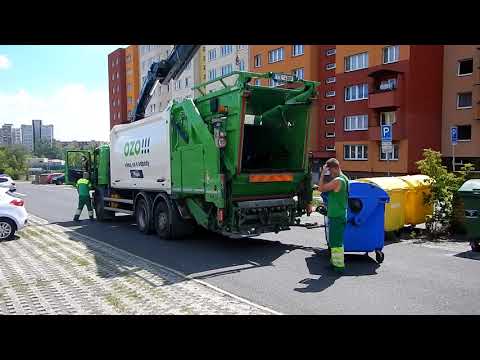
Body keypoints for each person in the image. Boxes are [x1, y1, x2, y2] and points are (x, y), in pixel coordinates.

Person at [316, 158, 349, 273]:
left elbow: (320, 188)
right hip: (339, 213)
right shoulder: (344, 178)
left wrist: (322, 174)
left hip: (336, 215)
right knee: (335, 241)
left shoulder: (338, 181)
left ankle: (339, 266)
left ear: (334, 168)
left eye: (329, 170)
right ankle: (334, 262)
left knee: (336, 243)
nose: (329, 172)